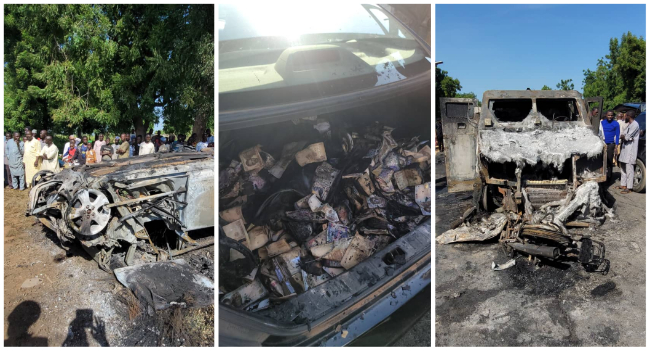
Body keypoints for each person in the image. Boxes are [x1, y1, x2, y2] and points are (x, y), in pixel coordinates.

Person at [618, 110, 640, 194]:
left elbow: (627, 137)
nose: (624, 118)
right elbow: (623, 135)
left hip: (630, 150)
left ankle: (629, 187)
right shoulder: (628, 125)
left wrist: (624, 136)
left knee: (629, 168)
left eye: (625, 116)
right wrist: (624, 136)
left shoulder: (635, 125)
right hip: (624, 149)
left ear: (628, 116)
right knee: (623, 167)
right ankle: (623, 184)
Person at [600, 110, 619, 183]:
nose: (610, 117)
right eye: (609, 115)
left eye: (611, 115)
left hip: (611, 144)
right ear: (606, 115)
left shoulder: (616, 124)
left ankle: (609, 178)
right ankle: (602, 175)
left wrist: (616, 146)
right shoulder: (602, 123)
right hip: (602, 144)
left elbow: (617, 135)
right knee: (601, 161)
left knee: (609, 161)